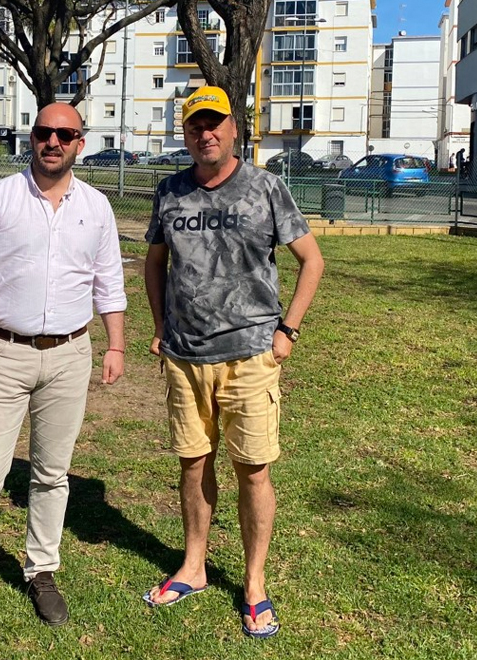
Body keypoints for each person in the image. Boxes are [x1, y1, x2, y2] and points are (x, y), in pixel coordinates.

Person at [0, 102, 127, 637]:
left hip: (69, 354)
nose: (53, 141)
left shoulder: (97, 207)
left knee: (51, 473)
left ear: (81, 143)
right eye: (44, 132)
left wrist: (116, 346)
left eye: (66, 134)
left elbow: (109, 283)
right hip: (2, 353)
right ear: (30, 138)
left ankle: (42, 571)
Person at [142, 86, 324, 639]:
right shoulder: (169, 192)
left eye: (215, 123)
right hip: (185, 356)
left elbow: (311, 261)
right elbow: (154, 263)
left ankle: (253, 583)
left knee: (253, 470)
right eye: (196, 125)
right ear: (186, 132)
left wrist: (287, 330)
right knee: (192, 464)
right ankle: (194, 568)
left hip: (250, 354)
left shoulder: (266, 188)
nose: (206, 134)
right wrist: (158, 326)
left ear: (234, 127)